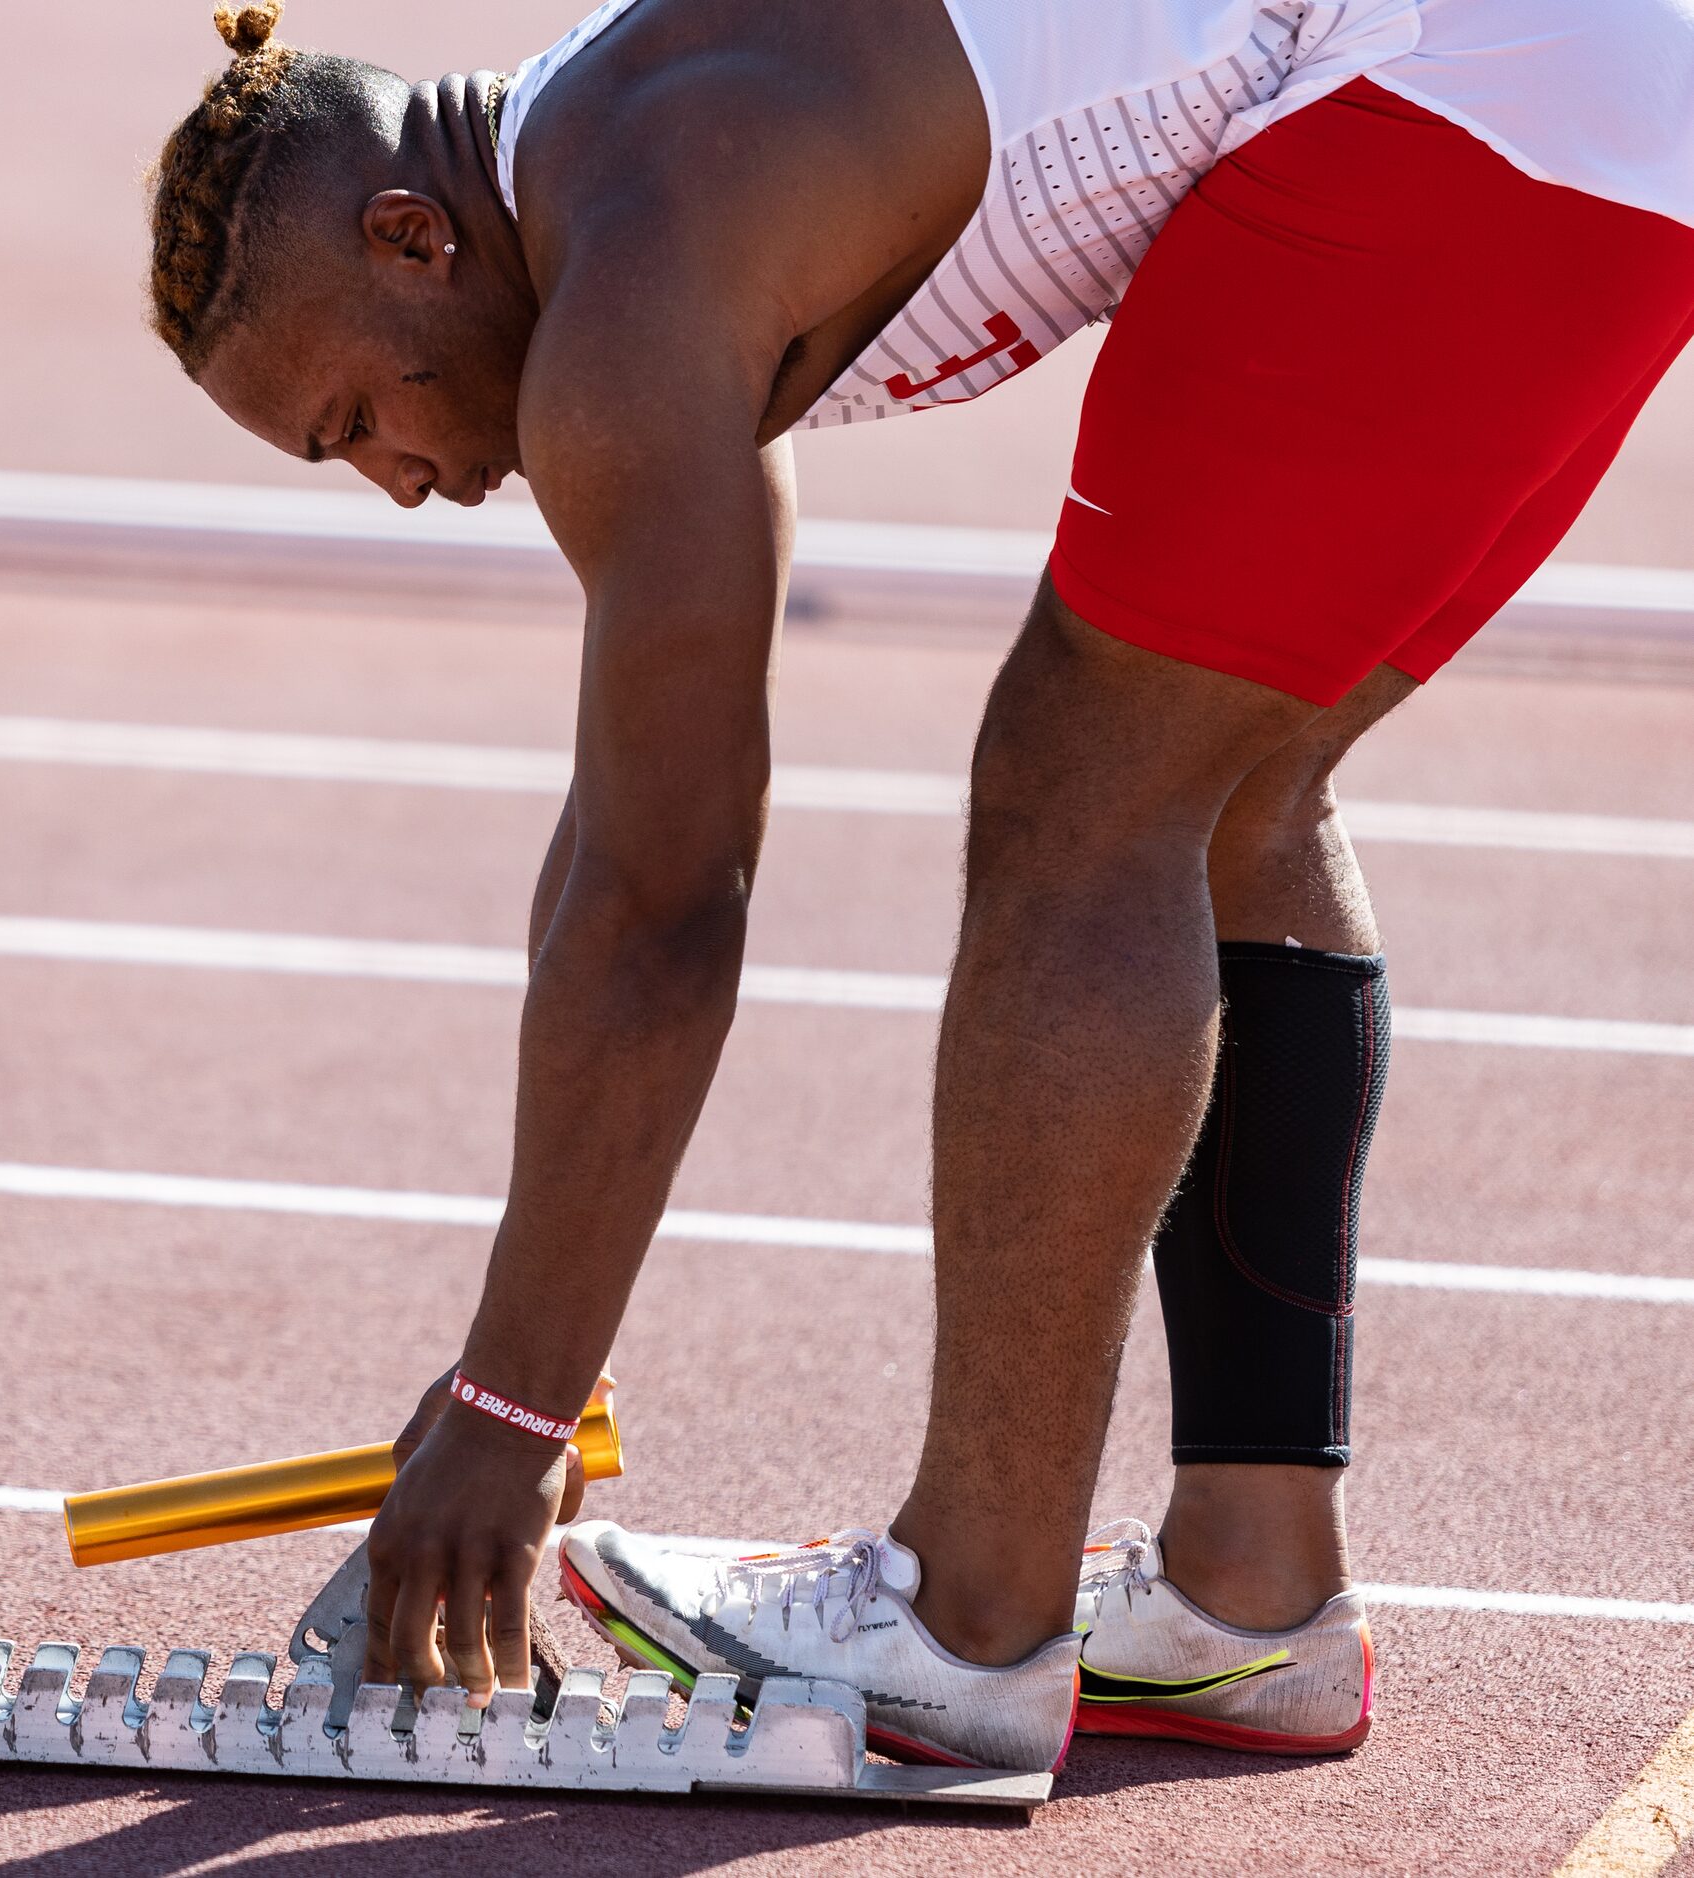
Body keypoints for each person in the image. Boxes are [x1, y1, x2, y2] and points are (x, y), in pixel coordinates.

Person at [145, 0, 1694, 1769]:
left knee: (1079, 791)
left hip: (1468, 83)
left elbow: (663, 906)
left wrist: (505, 1405)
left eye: (355, 413)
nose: (403, 483)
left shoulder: (632, 279)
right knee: (1223, 780)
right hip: (1580, 83)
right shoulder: (637, 173)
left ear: (411, 237)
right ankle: (1246, 1591)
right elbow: (629, 826)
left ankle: (966, 1614)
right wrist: (517, 1375)